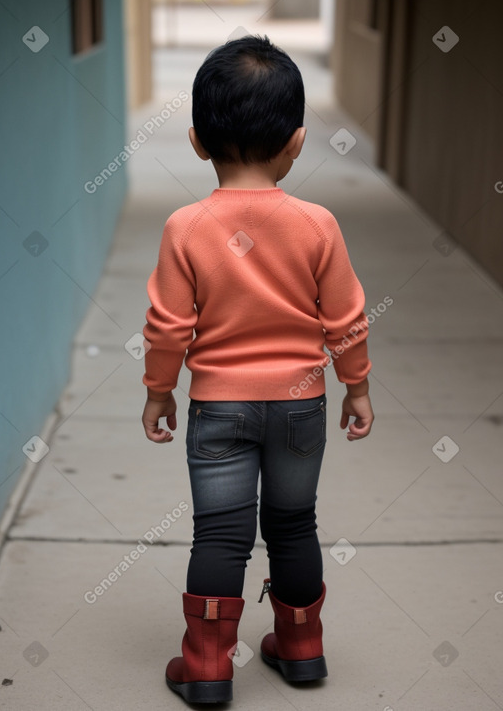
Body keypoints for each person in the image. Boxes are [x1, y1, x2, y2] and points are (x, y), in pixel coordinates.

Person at [141, 35, 374, 705]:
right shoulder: (318, 225)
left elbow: (167, 327)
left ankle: (208, 664)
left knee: (221, 531)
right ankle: (301, 647)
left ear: (195, 139)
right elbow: (347, 319)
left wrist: (159, 390)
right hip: (300, 404)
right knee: (294, 522)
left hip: (219, 406)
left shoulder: (185, 227)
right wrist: (355, 385)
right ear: (297, 142)